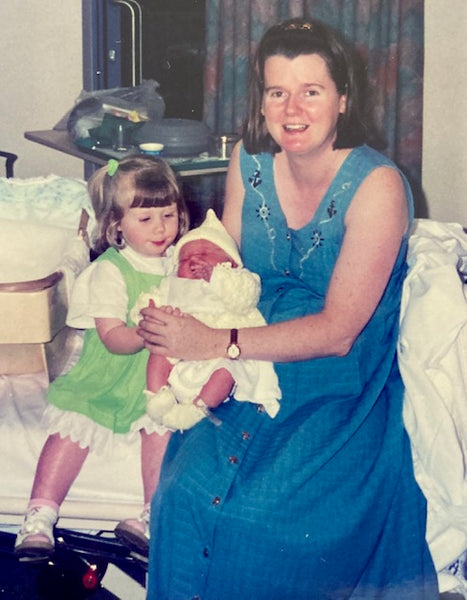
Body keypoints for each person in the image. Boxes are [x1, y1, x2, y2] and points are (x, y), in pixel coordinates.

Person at [138, 17, 439, 599]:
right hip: (249, 341)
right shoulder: (249, 162)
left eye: (312, 90)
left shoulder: (377, 186)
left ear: (343, 98)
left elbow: (340, 332)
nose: (292, 108)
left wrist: (214, 342)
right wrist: (171, 300)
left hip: (336, 376)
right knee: (181, 496)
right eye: (277, 91)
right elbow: (219, 253)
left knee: (267, 523)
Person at [14, 155, 189, 560]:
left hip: (157, 378)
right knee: (73, 427)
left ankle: (152, 514)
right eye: (145, 220)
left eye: (169, 214)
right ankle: (39, 514)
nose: (162, 227)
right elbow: (112, 337)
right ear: (116, 227)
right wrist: (150, 333)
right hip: (111, 370)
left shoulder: (181, 262)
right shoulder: (110, 271)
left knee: (162, 426)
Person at [130, 208, 281, 432]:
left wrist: (216, 276)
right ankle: (156, 397)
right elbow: (152, 301)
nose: (195, 260)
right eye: (186, 258)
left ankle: (197, 408)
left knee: (227, 371)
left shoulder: (238, 279)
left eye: (207, 253)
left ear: (232, 263)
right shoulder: (173, 285)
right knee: (158, 353)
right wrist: (148, 310)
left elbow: (245, 297)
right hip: (179, 347)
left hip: (223, 349)